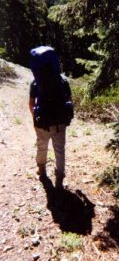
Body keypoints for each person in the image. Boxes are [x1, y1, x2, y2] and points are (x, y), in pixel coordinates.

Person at [29, 46, 73, 189]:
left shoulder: (35, 82)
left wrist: (35, 118)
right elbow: (69, 100)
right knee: (59, 149)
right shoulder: (63, 80)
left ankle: (41, 170)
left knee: (42, 146)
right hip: (60, 122)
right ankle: (59, 178)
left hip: (42, 122)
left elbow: (31, 103)